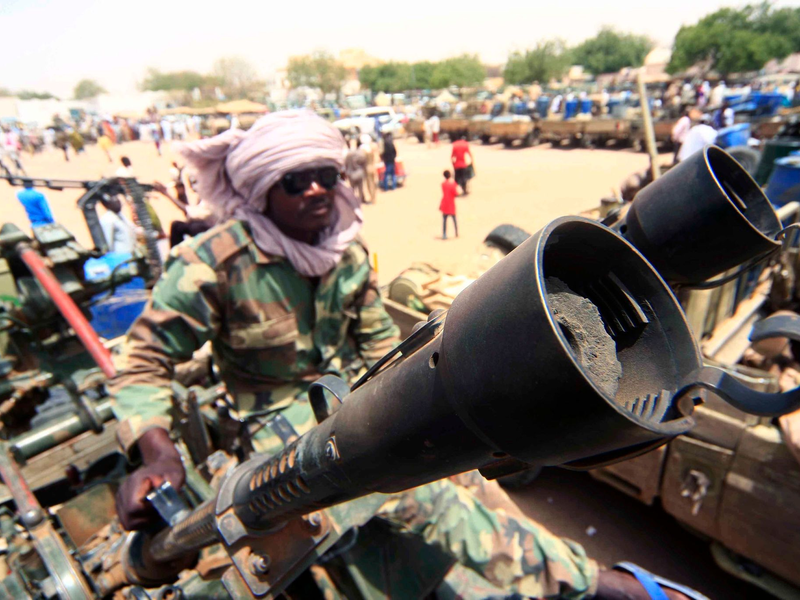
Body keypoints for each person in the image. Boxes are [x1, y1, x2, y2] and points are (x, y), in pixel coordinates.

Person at [106, 110, 700, 600]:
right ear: (263, 189)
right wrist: (155, 450)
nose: (315, 188)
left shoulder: (348, 253)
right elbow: (145, 358)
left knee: (463, 470)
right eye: (295, 180)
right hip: (272, 436)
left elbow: (375, 346)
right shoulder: (213, 261)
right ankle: (592, 585)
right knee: (420, 496)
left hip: (354, 399)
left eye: (323, 173)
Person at [359, 133, 378, 203]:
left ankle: (372, 199)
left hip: (366, 168)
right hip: (373, 166)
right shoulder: (372, 146)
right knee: (373, 183)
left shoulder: (362, 148)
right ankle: (374, 197)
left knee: (369, 184)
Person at [440, 170, 458, 239]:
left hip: (444, 202)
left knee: (444, 220)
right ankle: (456, 232)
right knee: (454, 219)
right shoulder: (453, 184)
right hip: (451, 203)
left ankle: (444, 234)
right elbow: (455, 193)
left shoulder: (443, 184)